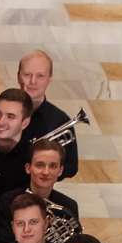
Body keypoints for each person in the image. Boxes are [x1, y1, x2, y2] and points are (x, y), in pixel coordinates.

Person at [0, 140, 78, 243]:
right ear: (28, 168)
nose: (46, 172)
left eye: (53, 166)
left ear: (60, 171)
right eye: (40, 165)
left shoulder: (68, 207)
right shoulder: (8, 201)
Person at [17, 50, 79, 179]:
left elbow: (71, 167)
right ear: (18, 76)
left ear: (49, 79)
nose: (33, 81)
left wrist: (45, 170)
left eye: (40, 76)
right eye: (27, 74)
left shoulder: (61, 121)